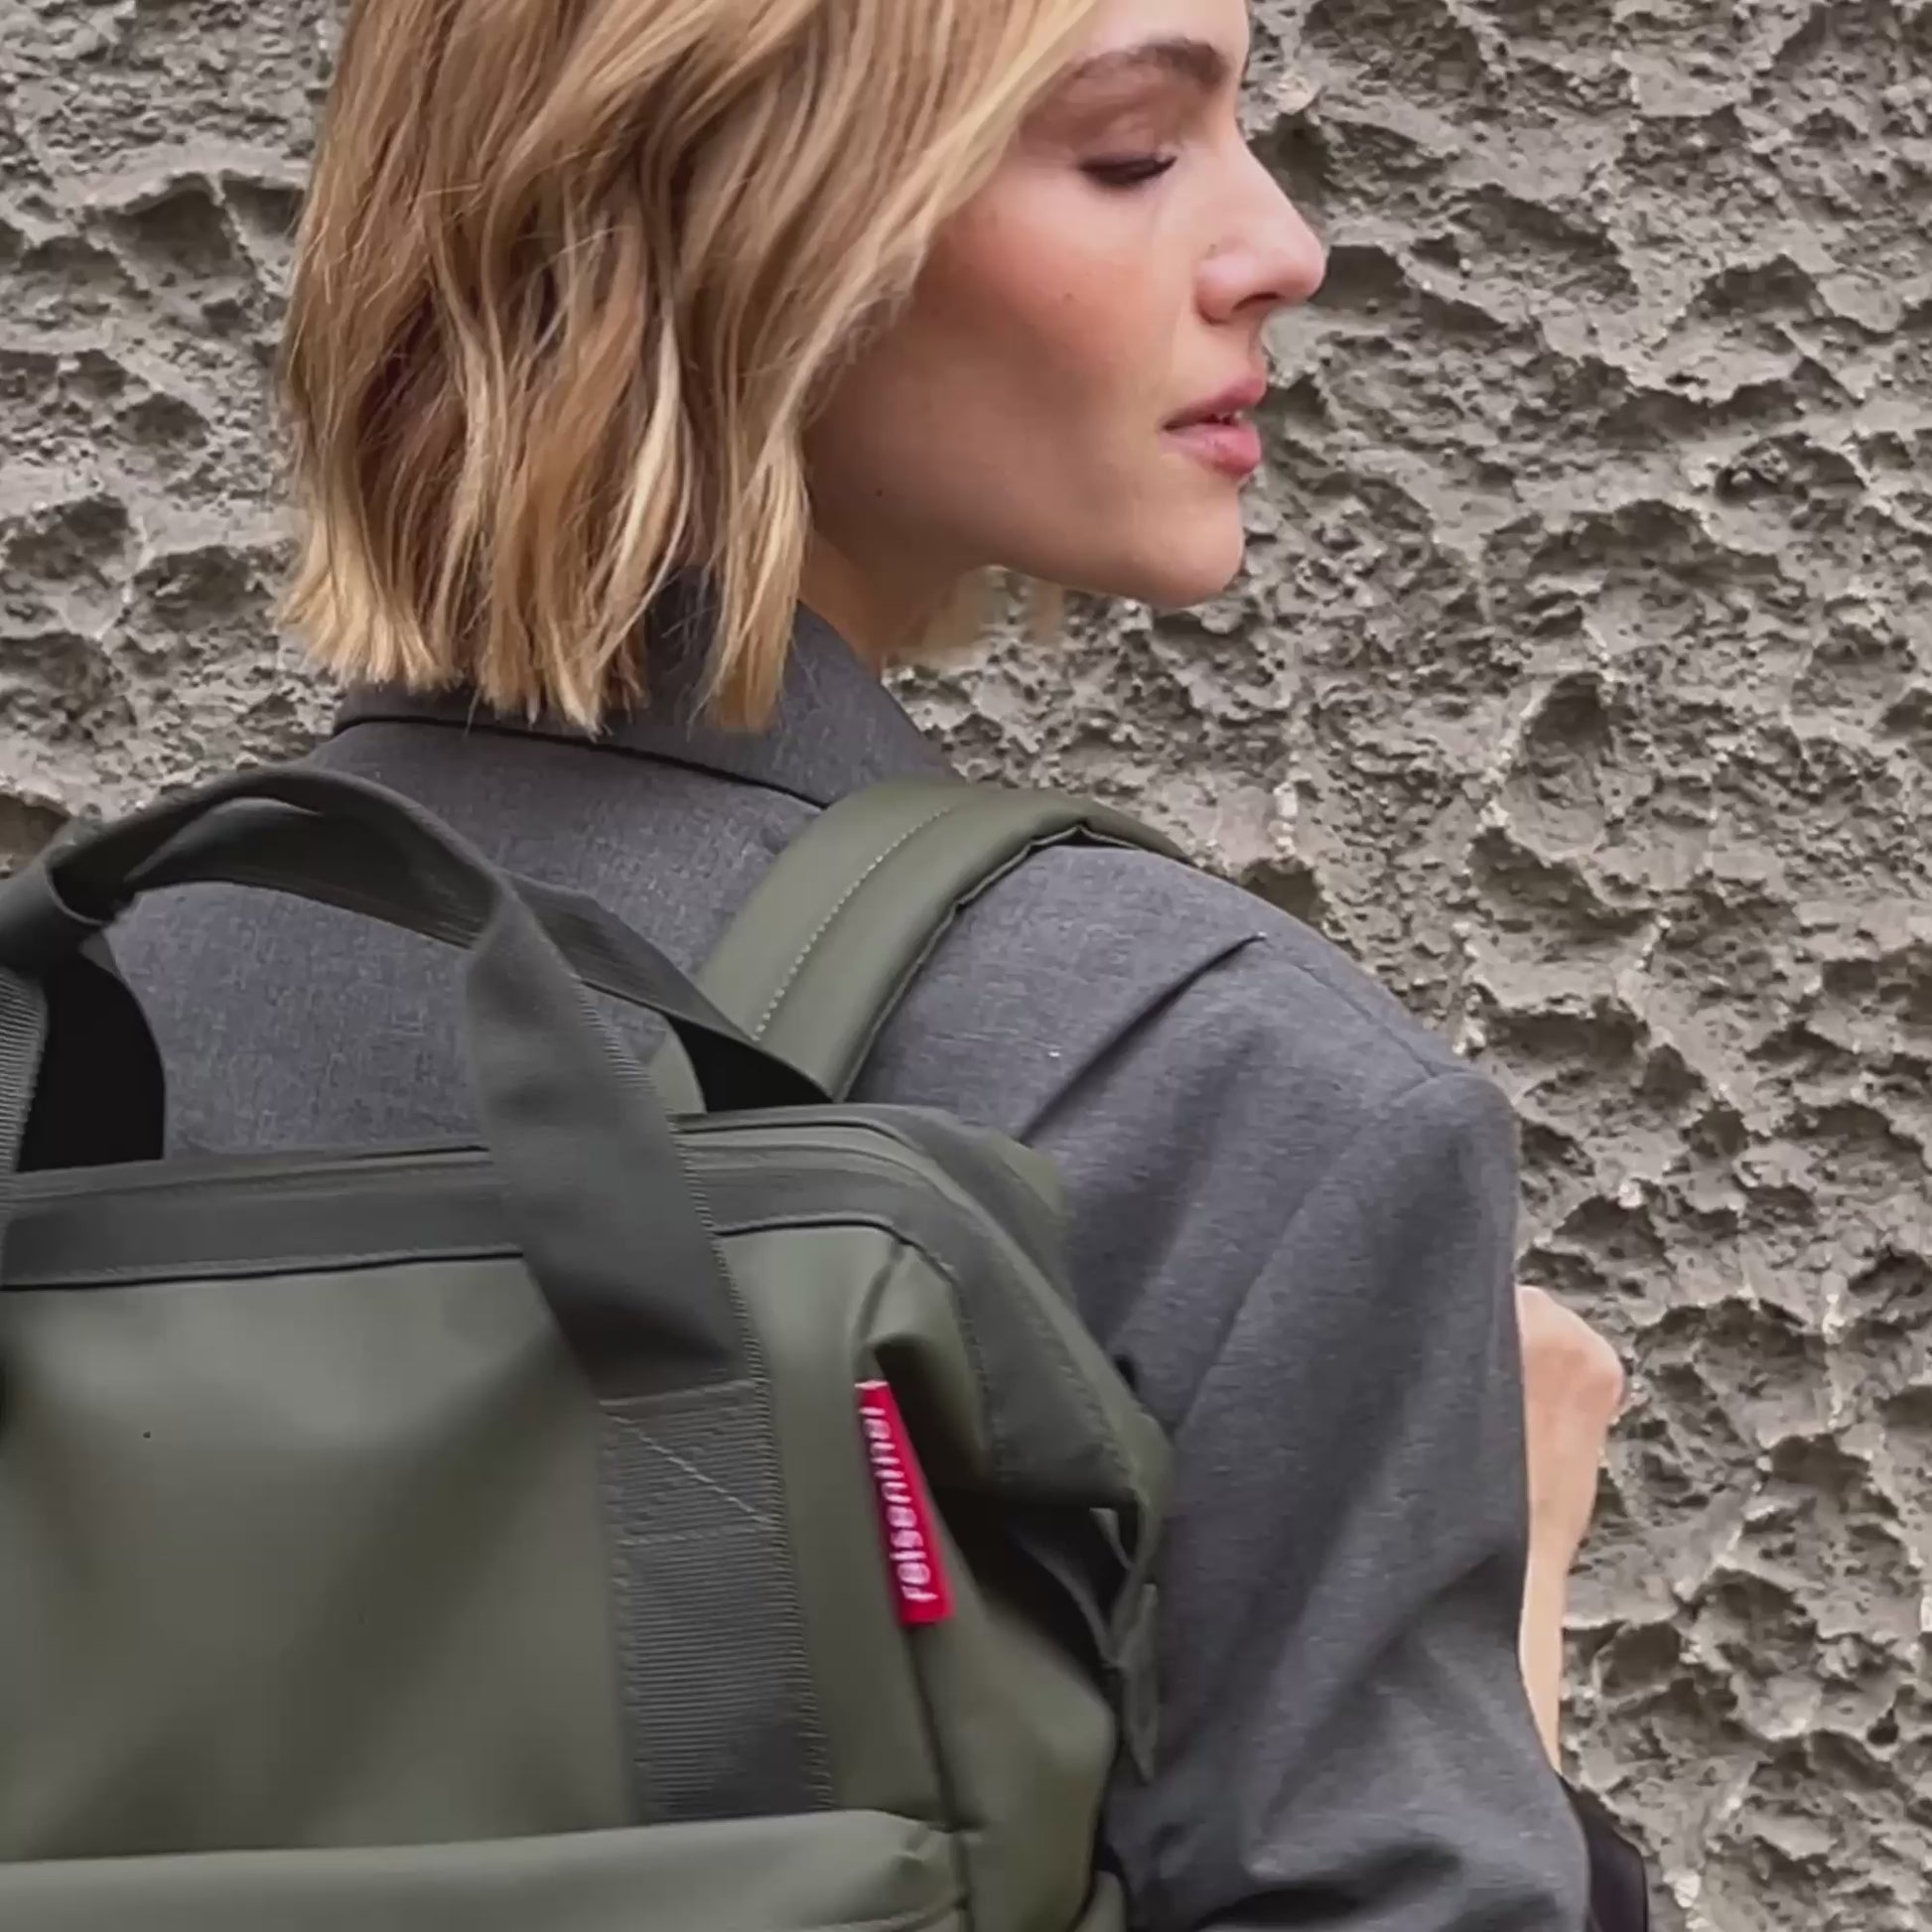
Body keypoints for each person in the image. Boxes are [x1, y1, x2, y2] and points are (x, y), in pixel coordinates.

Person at [109, 0, 1638, 1924]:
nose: (1282, 246)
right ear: (745, 227)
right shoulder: (1205, 1094)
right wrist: (1497, 1643)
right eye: (1130, 149)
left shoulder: (90, 1013)